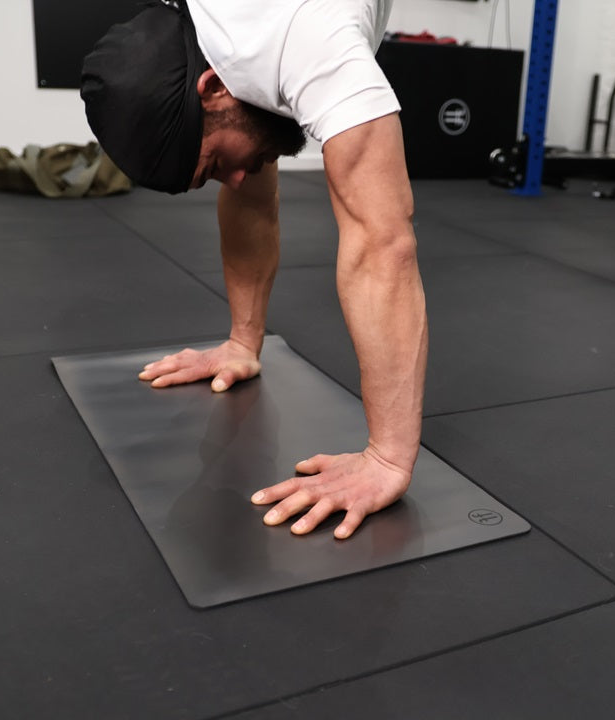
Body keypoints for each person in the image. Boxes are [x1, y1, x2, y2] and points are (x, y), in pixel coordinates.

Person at [81, 0, 427, 540]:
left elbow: (382, 246)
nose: (234, 181)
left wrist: (388, 459)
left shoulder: (308, 41)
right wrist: (243, 343)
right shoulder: (216, 43)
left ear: (214, 88)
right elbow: (251, 189)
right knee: (249, 151)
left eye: (215, 164)